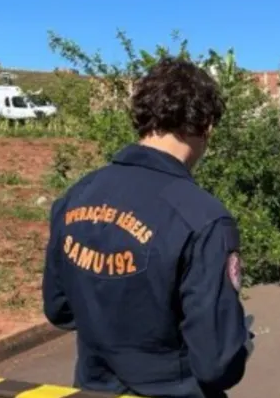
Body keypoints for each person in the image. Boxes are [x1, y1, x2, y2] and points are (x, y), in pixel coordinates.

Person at [42, 56, 254, 398]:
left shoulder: (77, 196)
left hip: (92, 388)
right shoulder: (203, 218)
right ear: (207, 126)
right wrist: (240, 341)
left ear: (143, 119)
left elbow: (59, 308)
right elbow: (216, 363)